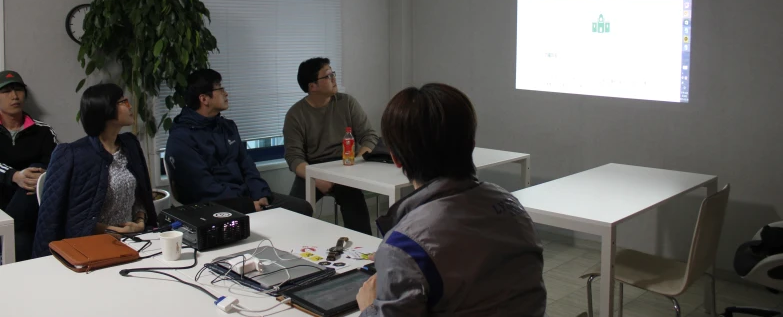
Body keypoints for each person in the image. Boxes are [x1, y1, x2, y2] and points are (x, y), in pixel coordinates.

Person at [356, 84, 547, 316]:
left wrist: (368, 306)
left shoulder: (404, 246)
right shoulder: (511, 206)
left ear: (395, 158)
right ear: (472, 145)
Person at [33, 84, 158, 257]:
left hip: (134, 242)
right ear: (105, 110)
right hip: (91, 248)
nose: (130, 106)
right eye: (123, 102)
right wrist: (107, 230)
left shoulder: (130, 144)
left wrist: (140, 220)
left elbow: (141, 194)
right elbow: (53, 218)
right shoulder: (71, 154)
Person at [165, 69, 312, 216]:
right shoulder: (182, 138)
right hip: (216, 205)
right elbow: (203, 187)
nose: (226, 93)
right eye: (220, 89)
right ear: (204, 99)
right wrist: (246, 204)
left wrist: (261, 194)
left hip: (247, 197)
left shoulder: (227, 127)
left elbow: (247, 165)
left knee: (303, 208)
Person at [284, 57, 379, 234]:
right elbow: (293, 157)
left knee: (357, 211)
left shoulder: (346, 103)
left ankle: (363, 254)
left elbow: (369, 136)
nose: (334, 79)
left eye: (333, 74)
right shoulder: (295, 114)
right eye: (328, 76)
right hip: (313, 169)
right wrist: (315, 178)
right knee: (293, 211)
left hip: (345, 165)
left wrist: (357, 162)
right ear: (312, 86)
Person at [0, 71, 58, 261]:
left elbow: (57, 164)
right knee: (21, 241)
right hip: (2, 206)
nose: (14, 96)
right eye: (6, 91)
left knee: (37, 170)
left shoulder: (43, 131)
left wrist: (40, 177)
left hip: (33, 209)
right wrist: (14, 175)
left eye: (18, 90)